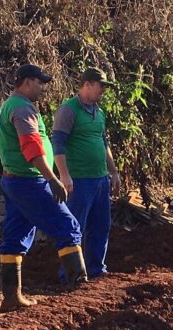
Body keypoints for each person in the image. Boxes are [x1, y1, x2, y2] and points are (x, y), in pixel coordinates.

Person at [0, 64, 87, 311]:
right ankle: (80, 293)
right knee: (68, 227)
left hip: (13, 179)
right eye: (39, 82)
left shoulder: (8, 105)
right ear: (26, 82)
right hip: (29, 180)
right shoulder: (22, 108)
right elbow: (31, 147)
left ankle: (11, 297)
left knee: (16, 235)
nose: (42, 87)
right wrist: (51, 178)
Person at [51, 68, 121, 281]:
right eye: (101, 86)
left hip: (100, 179)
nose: (104, 90)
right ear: (87, 84)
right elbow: (58, 143)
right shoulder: (68, 110)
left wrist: (113, 172)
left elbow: (103, 143)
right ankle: (69, 274)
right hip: (79, 180)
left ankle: (96, 270)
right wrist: (64, 175)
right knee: (75, 227)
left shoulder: (98, 112)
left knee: (101, 226)